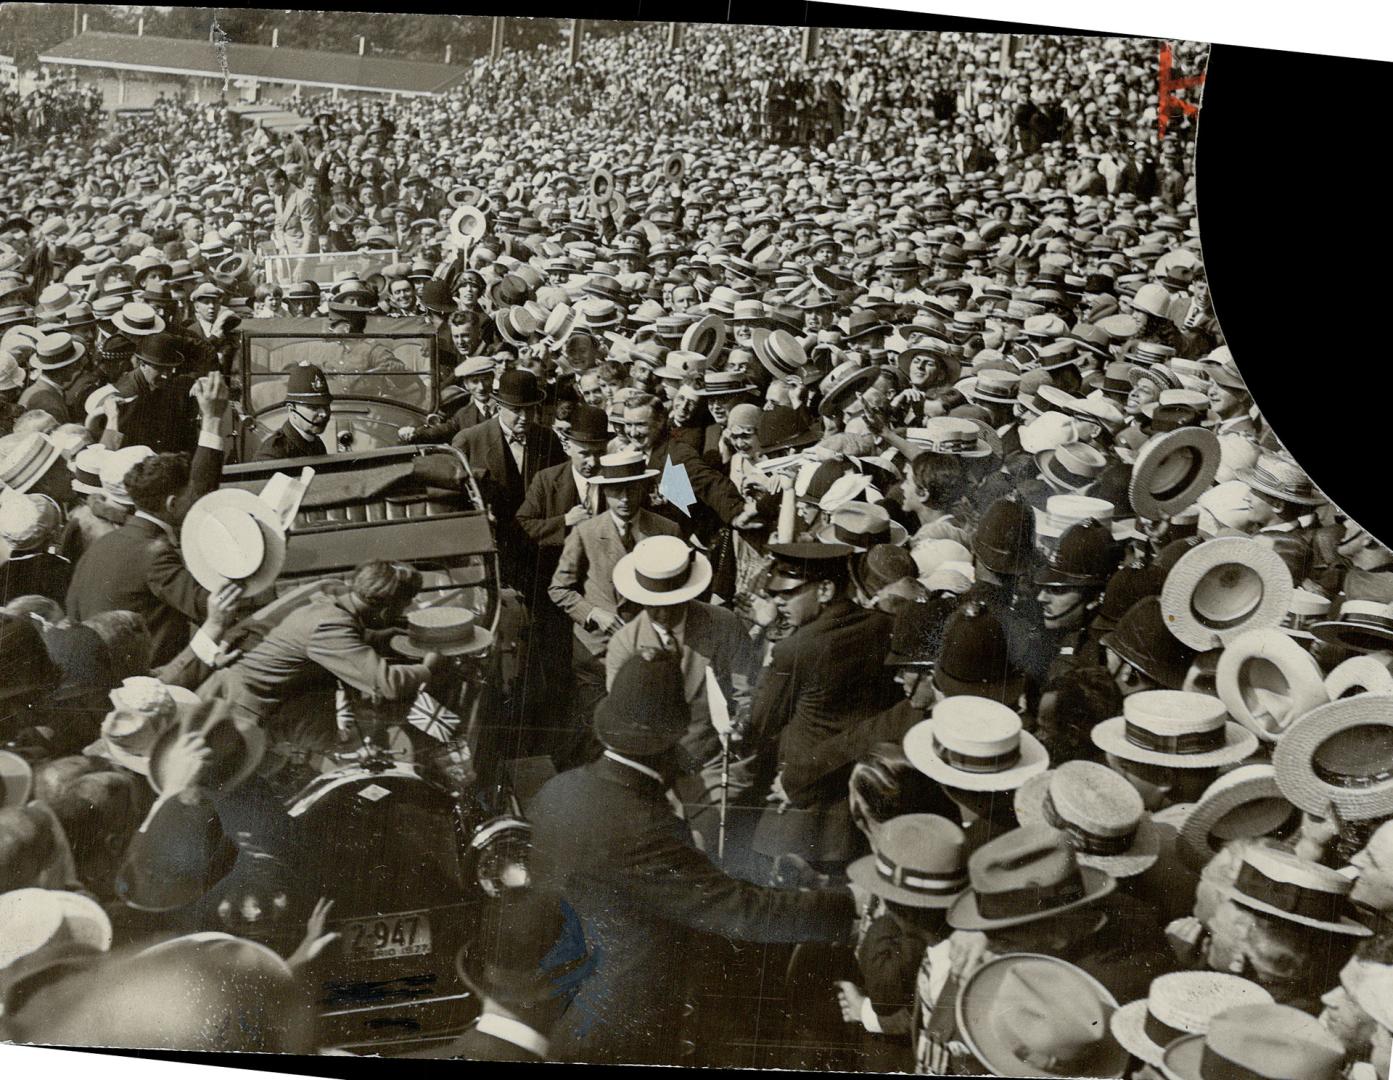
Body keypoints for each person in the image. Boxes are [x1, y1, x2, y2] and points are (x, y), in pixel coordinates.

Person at [528, 652, 869, 1065]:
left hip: (563, 1006)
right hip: (623, 1025)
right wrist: (846, 902)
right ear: (673, 739)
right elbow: (733, 909)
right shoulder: (643, 824)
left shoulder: (558, 790)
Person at [548, 450, 681, 743]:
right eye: (615, 491)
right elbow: (559, 589)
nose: (624, 499)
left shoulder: (666, 530)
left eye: (631, 490)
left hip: (648, 649)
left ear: (644, 489)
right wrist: (594, 614)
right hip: (596, 651)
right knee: (597, 728)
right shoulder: (586, 532)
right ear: (603, 491)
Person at [254, 361, 332, 461]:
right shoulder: (272, 455)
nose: (324, 413)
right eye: (313, 407)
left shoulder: (315, 443)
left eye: (326, 406)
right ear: (291, 409)